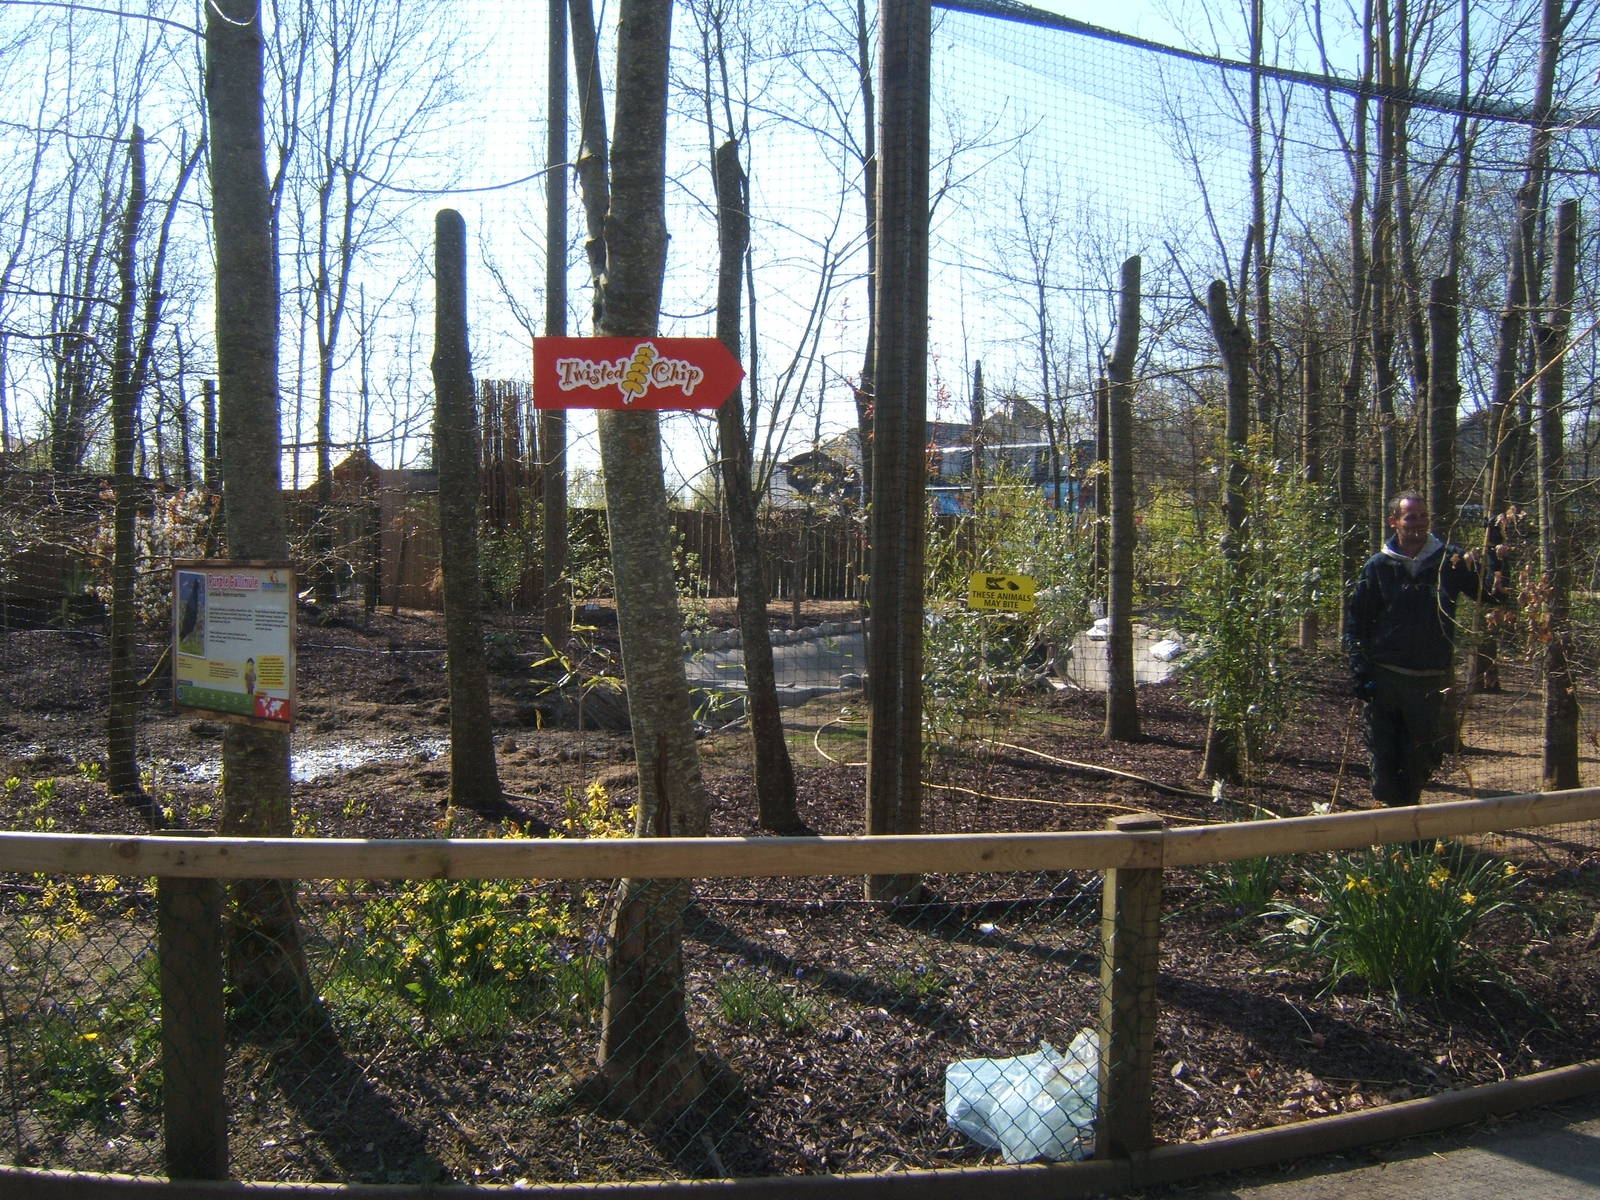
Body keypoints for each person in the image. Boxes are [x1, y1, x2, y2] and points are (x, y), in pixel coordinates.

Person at [1343, 492, 1511, 808]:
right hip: (1385, 680)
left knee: (1419, 761)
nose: (1418, 524)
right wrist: (1359, 669)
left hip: (1430, 681)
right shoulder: (1378, 566)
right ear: (1394, 521)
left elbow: (1493, 594)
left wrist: (1496, 555)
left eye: (1422, 516)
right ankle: (1394, 834)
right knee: (1384, 764)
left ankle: (1408, 834)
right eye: (1411, 517)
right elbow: (1357, 621)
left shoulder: (1449, 561)